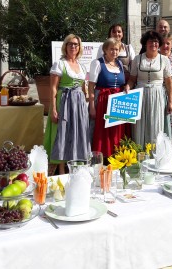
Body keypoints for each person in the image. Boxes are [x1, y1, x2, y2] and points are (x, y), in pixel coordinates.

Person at [43, 34, 90, 174]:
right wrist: (54, 110)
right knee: (63, 134)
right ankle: (62, 170)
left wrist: (87, 98)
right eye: (70, 44)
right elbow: (53, 88)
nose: (73, 47)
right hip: (64, 101)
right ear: (65, 46)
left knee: (77, 134)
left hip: (79, 103)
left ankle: (75, 167)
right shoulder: (60, 64)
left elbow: (83, 87)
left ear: (79, 47)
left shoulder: (81, 66)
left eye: (76, 44)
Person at [125, 30, 172, 147]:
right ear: (145, 43)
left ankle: (155, 156)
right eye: (151, 42)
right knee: (139, 126)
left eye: (156, 42)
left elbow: (168, 83)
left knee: (156, 125)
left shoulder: (164, 60)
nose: (154, 44)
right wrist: (127, 87)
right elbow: (132, 79)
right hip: (140, 95)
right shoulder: (138, 59)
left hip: (157, 95)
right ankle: (139, 154)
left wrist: (170, 102)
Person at [89, 38, 127, 159]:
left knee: (117, 131)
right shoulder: (97, 63)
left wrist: (126, 87)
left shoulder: (120, 64)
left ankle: (116, 156)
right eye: (111, 49)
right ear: (105, 49)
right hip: (103, 102)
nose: (114, 52)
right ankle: (102, 157)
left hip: (118, 102)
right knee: (102, 131)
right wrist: (92, 107)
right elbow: (91, 86)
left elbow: (122, 83)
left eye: (116, 49)